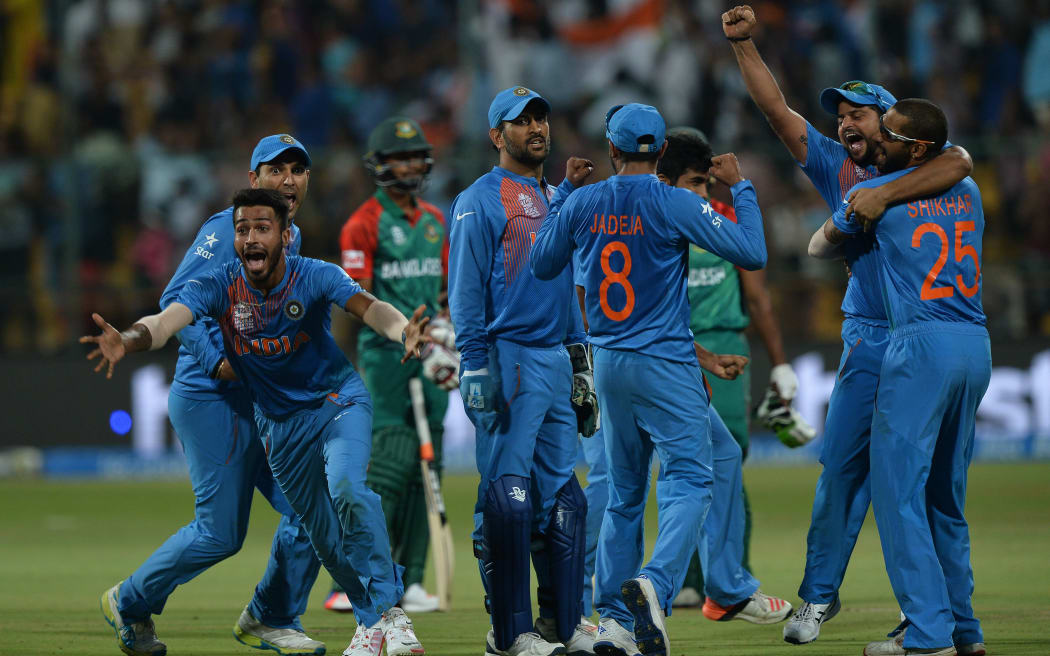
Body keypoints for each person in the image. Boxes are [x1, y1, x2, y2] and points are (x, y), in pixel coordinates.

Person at [720, 5, 974, 644]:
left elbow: (960, 158)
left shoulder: (916, 172)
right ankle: (819, 597)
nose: (845, 123)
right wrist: (745, 46)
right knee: (840, 470)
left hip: (919, 340)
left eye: (858, 113)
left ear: (891, 124)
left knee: (914, 486)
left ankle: (931, 620)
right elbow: (777, 111)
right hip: (871, 336)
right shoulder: (840, 166)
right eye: (840, 114)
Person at [83, 188, 428, 656]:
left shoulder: (314, 274)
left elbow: (368, 306)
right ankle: (368, 621)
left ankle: (387, 613)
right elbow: (166, 322)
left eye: (261, 228)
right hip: (279, 427)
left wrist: (403, 329)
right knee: (321, 535)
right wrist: (127, 339)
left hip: (335, 404)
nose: (250, 238)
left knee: (347, 487)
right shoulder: (220, 285)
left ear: (286, 236)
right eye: (242, 229)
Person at [531, 103, 768, 656]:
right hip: (664, 361)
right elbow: (752, 253)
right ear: (661, 152)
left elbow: (543, 264)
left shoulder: (584, 201)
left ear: (612, 149)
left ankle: (614, 621)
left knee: (624, 494)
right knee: (691, 479)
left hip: (609, 363)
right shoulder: (674, 201)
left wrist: (562, 196)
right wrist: (742, 189)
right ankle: (656, 584)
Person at [98, 134, 324, 656]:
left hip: (262, 401)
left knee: (316, 508)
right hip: (211, 398)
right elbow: (177, 300)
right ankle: (130, 601)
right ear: (253, 179)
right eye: (275, 170)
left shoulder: (293, 238)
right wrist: (218, 362)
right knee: (220, 534)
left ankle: (271, 616)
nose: (287, 179)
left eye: (297, 169)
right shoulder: (227, 230)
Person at [811, 98, 988, 656]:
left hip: (919, 346)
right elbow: (959, 159)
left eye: (889, 135)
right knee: (945, 498)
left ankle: (927, 634)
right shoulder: (967, 189)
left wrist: (857, 209)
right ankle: (964, 631)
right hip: (974, 343)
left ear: (916, 149)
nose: (877, 140)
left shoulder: (876, 196)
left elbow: (817, 247)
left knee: (896, 494)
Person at [447, 85, 596, 656]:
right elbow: (465, 290)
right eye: (521, 121)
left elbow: (568, 285)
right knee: (508, 499)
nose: (536, 128)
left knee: (564, 501)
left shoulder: (556, 198)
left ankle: (564, 623)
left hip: (555, 360)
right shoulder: (478, 199)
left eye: (540, 118)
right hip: (506, 357)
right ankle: (509, 633)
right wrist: (473, 363)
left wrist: (580, 361)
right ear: (496, 135)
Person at [656, 126, 798, 623]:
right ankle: (697, 582)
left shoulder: (720, 218)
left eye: (705, 182)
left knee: (726, 460)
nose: (702, 191)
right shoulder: (668, 218)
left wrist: (779, 360)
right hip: (676, 346)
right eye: (695, 181)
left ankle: (728, 575)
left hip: (719, 346)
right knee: (692, 465)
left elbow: (757, 297)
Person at [326, 116, 453, 615]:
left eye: (416, 156)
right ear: (379, 164)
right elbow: (356, 300)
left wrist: (446, 337)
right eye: (399, 158)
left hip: (433, 356)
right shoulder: (362, 223)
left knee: (429, 464)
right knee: (388, 463)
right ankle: (361, 577)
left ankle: (413, 579)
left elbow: (445, 293)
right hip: (385, 356)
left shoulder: (436, 221)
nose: (410, 165)